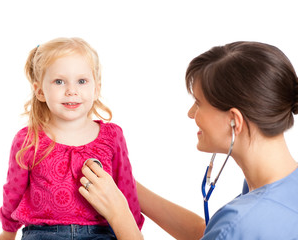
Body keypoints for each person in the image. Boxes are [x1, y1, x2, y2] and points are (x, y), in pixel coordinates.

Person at [79, 41, 298, 239]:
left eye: (199, 103)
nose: (191, 113)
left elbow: (226, 231)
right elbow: (207, 233)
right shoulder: (278, 189)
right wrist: (125, 184)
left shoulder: (241, 223)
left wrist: (119, 215)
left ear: (234, 120)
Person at [0, 37, 144, 240]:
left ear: (96, 88)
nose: (71, 90)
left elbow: (125, 188)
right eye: (59, 81)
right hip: (43, 233)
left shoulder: (112, 136)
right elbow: (13, 191)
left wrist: (132, 228)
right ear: (39, 91)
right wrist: (8, 231)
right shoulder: (28, 139)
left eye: (82, 81)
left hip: (100, 233)